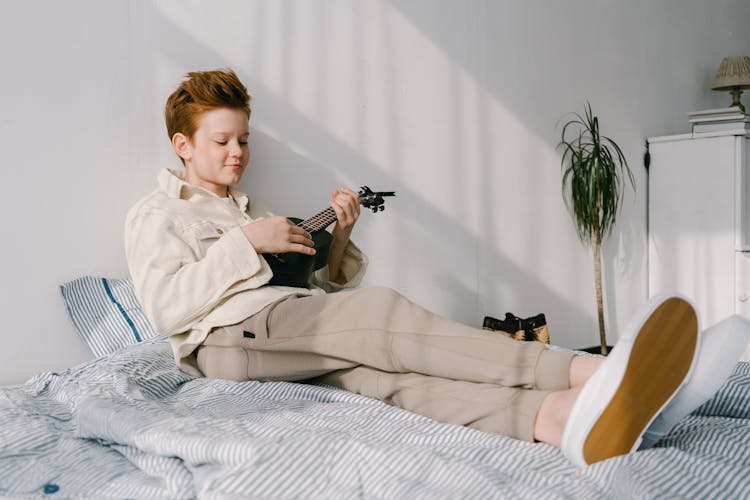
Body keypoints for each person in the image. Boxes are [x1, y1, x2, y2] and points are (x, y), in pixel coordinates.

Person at [124, 69, 745, 467]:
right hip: (226, 344)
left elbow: (323, 290)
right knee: (383, 316)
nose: (238, 153)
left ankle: (559, 421)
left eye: (243, 139)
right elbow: (166, 309)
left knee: (387, 382)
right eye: (222, 141)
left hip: (283, 331)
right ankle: (595, 372)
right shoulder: (156, 214)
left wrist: (339, 237)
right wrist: (246, 243)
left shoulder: (251, 210)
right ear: (183, 145)